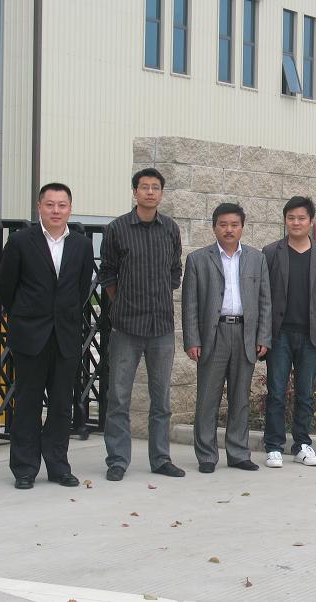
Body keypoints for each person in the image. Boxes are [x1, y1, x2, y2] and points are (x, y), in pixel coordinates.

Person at [0, 182, 94, 489]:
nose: (56, 210)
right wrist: (25, 315)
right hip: (30, 335)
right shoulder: (20, 241)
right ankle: (25, 468)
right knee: (27, 402)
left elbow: (81, 288)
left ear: (70, 209)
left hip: (65, 335)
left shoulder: (81, 244)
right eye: (50, 204)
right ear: (39, 206)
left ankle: (58, 466)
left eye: (62, 205)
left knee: (62, 404)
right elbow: (5, 288)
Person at [99, 168, 185, 481]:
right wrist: (123, 301)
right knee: (119, 398)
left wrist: (157, 293)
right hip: (126, 327)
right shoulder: (117, 229)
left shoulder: (170, 228)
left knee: (161, 400)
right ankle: (117, 460)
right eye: (144, 187)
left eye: (155, 187)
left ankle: (161, 459)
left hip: (161, 327)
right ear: (135, 192)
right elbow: (107, 273)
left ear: (161, 193)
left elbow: (175, 272)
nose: (150, 192)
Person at [181, 203, 272, 473]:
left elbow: (265, 300)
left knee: (240, 398)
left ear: (242, 227)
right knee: (207, 398)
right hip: (213, 334)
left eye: (234, 224)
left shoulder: (257, 258)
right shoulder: (198, 259)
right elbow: (190, 304)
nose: (229, 229)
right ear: (214, 227)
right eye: (223, 224)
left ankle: (238, 453)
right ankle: (207, 456)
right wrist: (192, 340)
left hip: (245, 334)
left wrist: (263, 336)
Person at [262, 196, 316, 468]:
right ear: (285, 220)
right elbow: (262, 297)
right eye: (291, 218)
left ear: (311, 222)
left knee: (305, 393)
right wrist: (262, 335)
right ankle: (273, 446)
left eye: (301, 218)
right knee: (276, 392)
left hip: (309, 336)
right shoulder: (271, 252)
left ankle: (302, 445)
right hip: (279, 335)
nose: (296, 222)